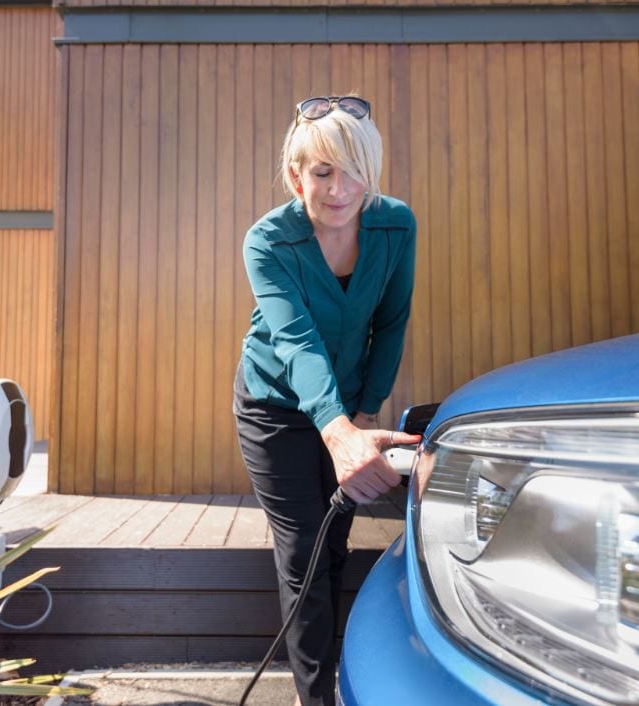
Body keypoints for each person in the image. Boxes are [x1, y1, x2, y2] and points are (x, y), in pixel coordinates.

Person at [233, 95, 420, 706]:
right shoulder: (268, 241)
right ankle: (315, 699)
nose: (340, 189)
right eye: (322, 172)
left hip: (347, 406)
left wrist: (364, 415)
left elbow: (389, 324)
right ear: (296, 175)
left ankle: (328, 675)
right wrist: (337, 430)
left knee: (335, 543)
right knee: (304, 553)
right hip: (274, 407)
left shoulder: (396, 225)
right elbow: (296, 339)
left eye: (354, 170)